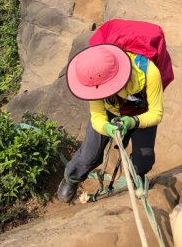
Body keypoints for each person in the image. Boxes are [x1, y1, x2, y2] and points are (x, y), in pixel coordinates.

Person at [57, 20, 173, 203]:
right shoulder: (93, 80)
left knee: (144, 159)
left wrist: (131, 122)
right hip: (110, 111)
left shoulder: (149, 73)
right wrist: (108, 128)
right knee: (89, 154)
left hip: (140, 113)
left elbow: (156, 113)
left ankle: (139, 175)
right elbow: (97, 117)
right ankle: (72, 178)